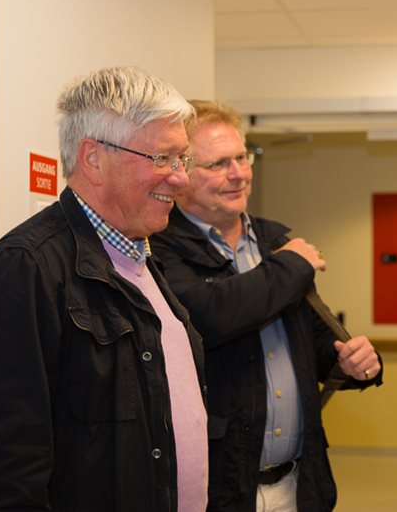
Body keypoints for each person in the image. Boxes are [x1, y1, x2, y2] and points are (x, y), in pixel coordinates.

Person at [0, 66, 208, 511]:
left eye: (182, 159)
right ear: (93, 159)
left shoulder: (143, 261)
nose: (180, 178)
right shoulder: (22, 270)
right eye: (162, 158)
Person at [149, 99, 383, 512]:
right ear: (181, 173)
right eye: (219, 164)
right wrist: (292, 266)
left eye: (242, 157)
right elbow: (210, 317)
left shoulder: (275, 243)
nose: (239, 173)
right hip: (218, 489)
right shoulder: (159, 248)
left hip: (297, 484)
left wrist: (350, 361)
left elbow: (312, 341)